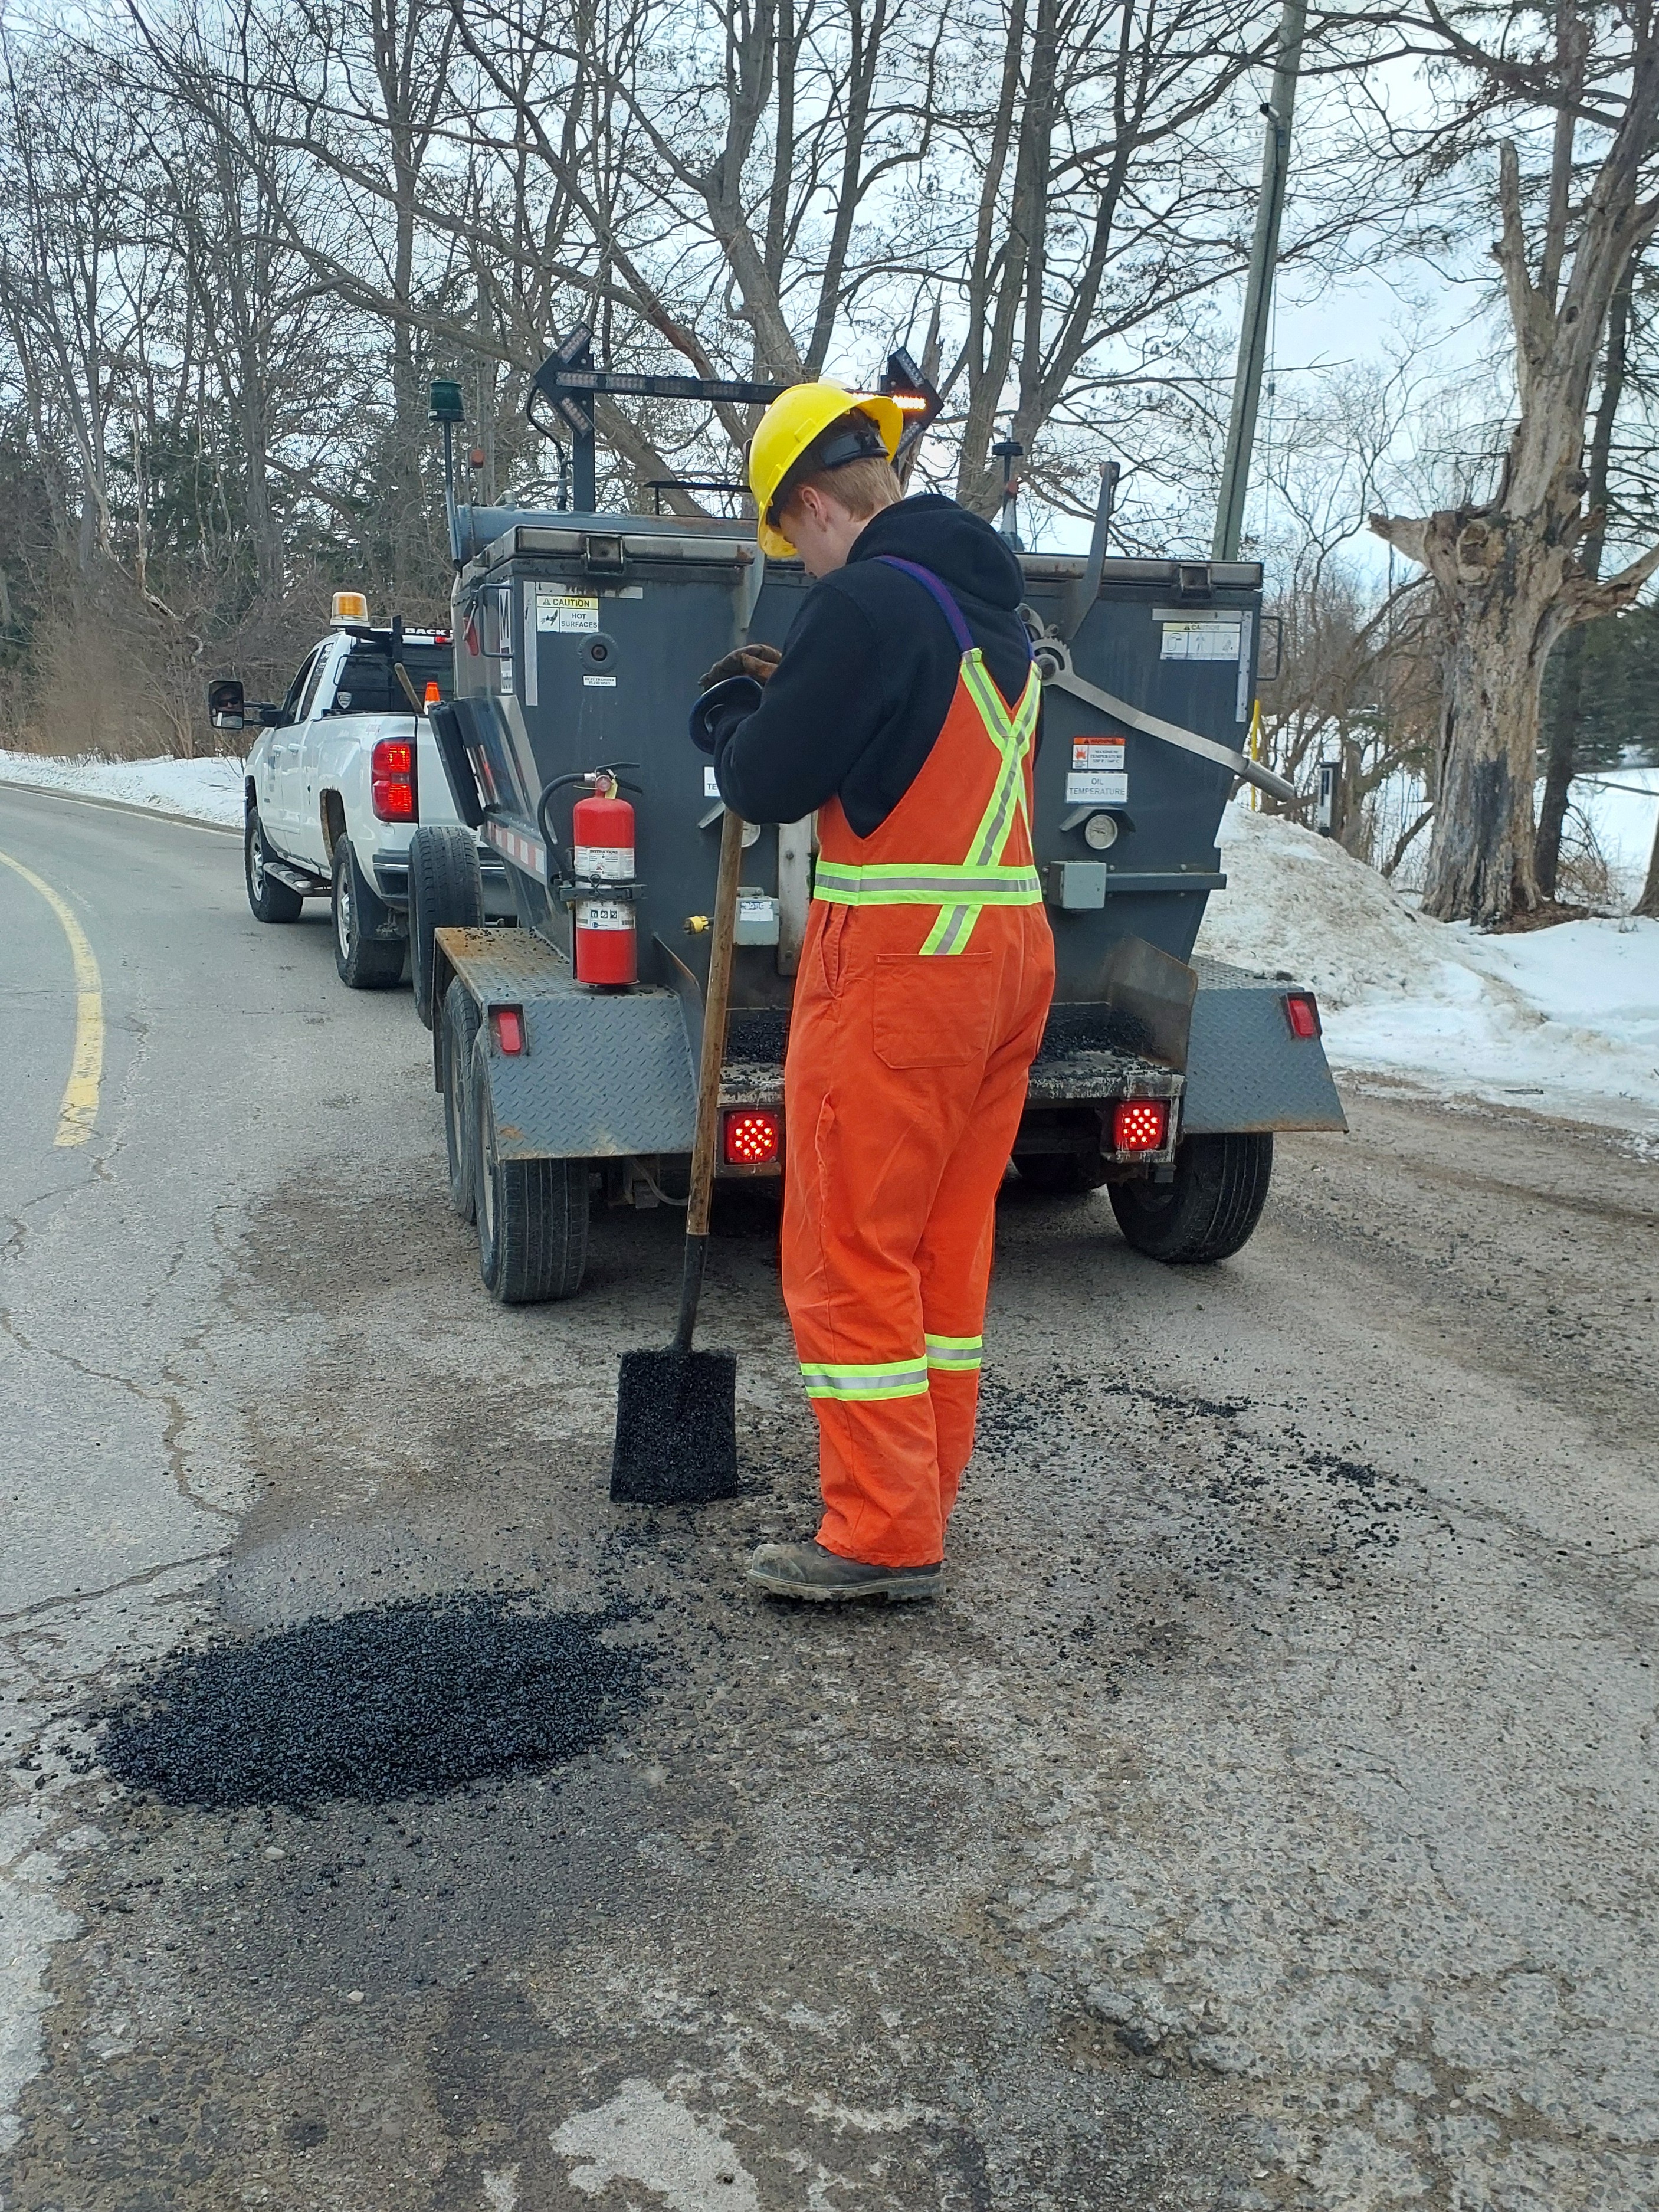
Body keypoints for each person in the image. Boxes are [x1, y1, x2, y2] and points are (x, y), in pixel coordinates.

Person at [690, 382, 1055, 1604]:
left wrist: (738, 717)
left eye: (789, 544)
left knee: (847, 1252)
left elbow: (767, 781)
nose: (796, 568)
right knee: (940, 1253)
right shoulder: (984, 610)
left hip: (901, 965)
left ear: (807, 506)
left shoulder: (862, 603)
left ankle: (879, 1536)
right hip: (1003, 955)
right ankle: (920, 1496)